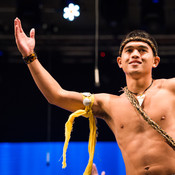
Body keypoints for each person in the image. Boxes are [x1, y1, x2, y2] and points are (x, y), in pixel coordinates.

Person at [14, 17, 175, 175]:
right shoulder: (109, 104)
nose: (135, 54)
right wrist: (30, 57)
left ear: (155, 61)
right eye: (129, 50)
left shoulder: (171, 88)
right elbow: (57, 96)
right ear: (120, 61)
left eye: (142, 50)